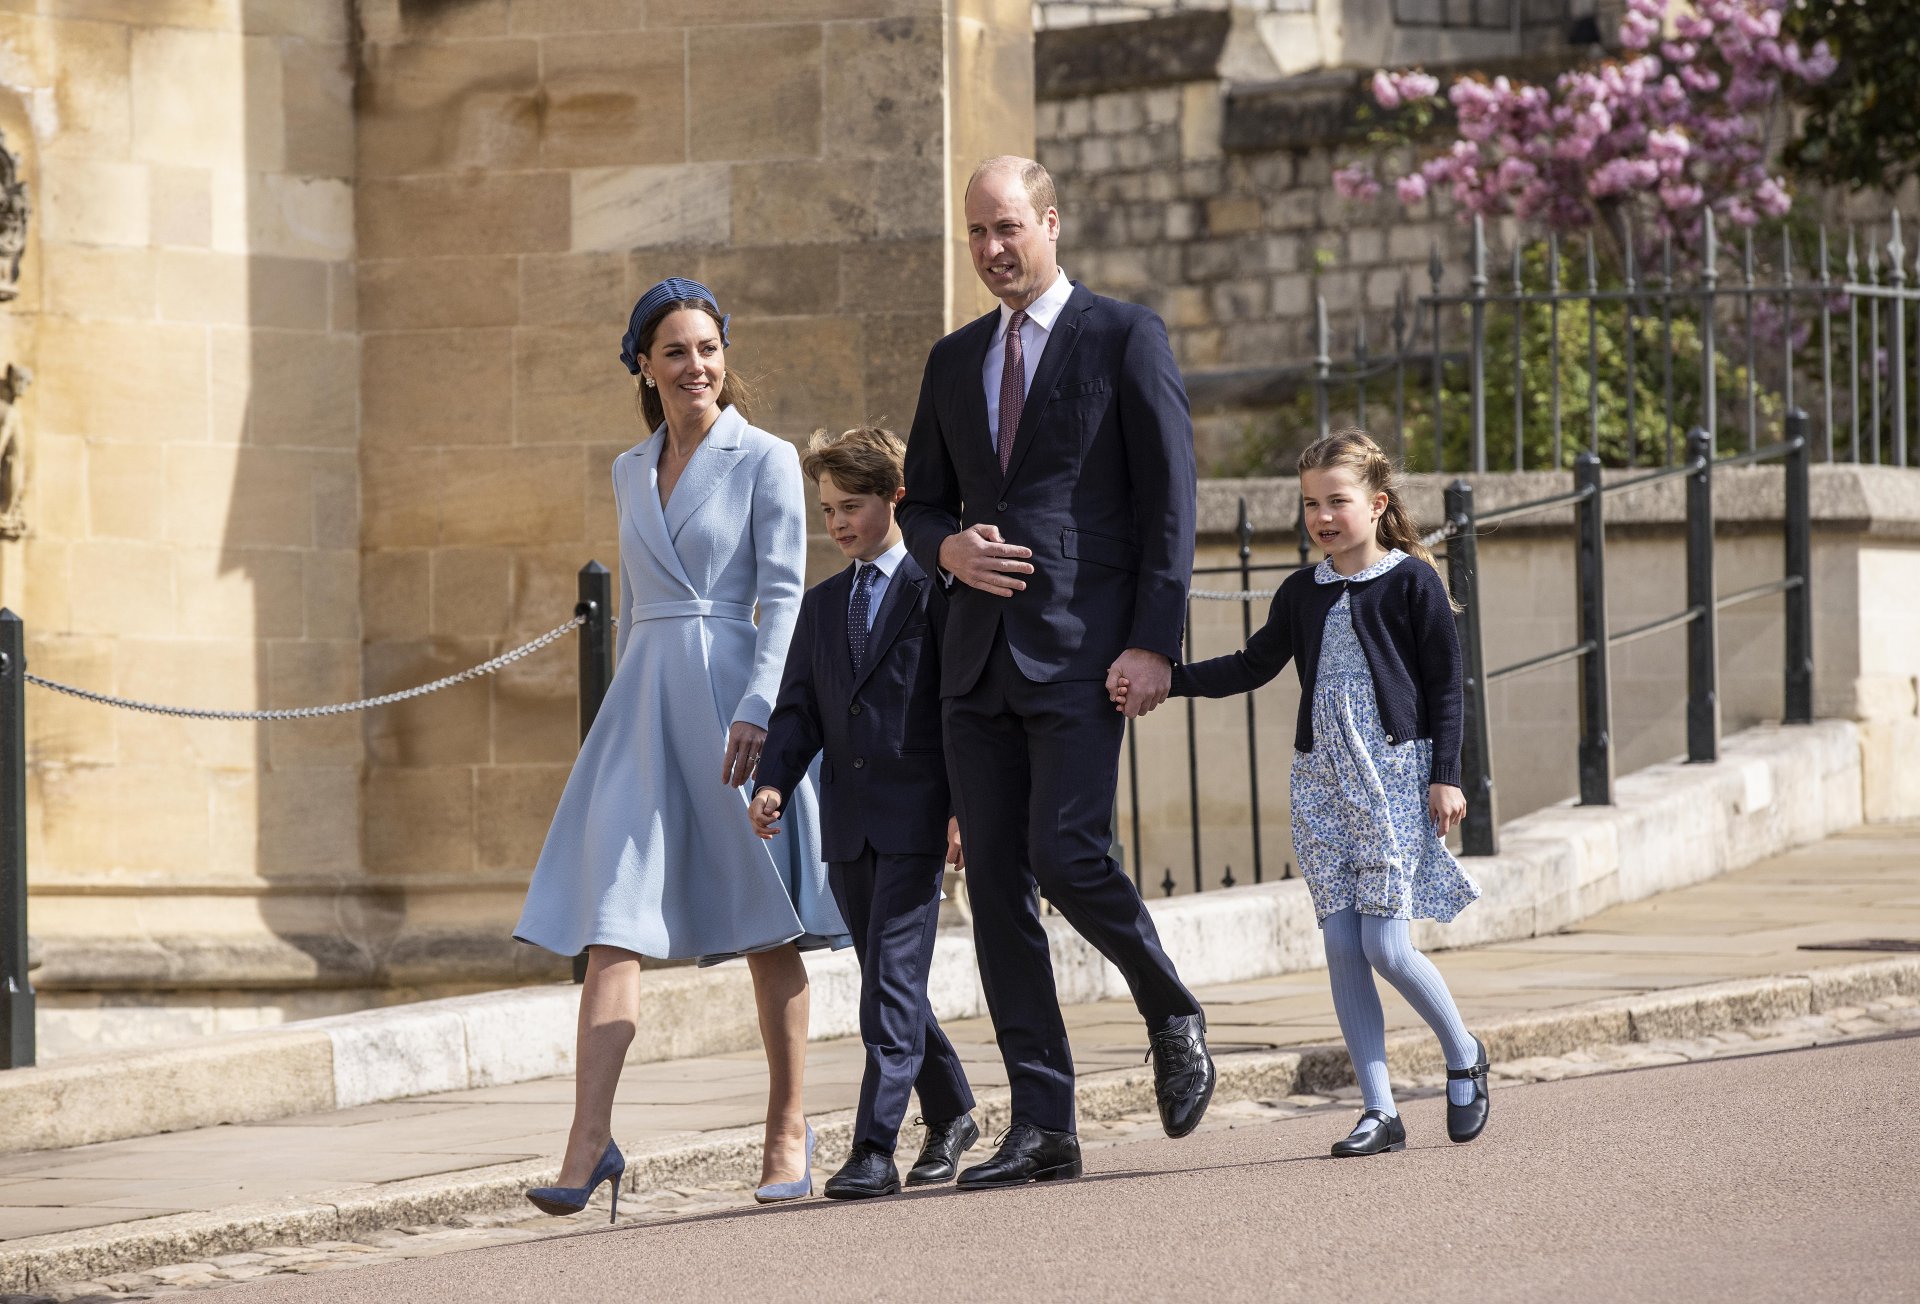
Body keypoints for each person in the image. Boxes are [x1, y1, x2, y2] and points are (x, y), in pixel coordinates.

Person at [897, 155, 1215, 1191]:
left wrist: (1152, 640)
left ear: (1049, 221)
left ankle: (1169, 1003)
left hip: (1085, 649)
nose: (993, 249)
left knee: (1068, 851)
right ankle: (1044, 1121)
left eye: (1008, 228)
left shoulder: (1126, 336)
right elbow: (918, 505)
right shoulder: (952, 362)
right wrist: (945, 549)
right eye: (977, 234)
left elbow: (1171, 498)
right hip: (972, 664)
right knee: (993, 890)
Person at [515, 278, 847, 1218]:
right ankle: (588, 1142)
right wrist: (621, 713)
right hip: (643, 705)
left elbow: (782, 594)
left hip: (737, 699)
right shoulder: (628, 468)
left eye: (708, 348)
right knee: (610, 918)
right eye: (676, 351)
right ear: (644, 366)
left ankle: (788, 1130)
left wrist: (761, 703)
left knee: (764, 920)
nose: (697, 365)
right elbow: (634, 601)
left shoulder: (768, 458)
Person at [1127, 428, 1491, 1156]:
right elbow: (1252, 665)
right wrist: (1169, 677)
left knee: (1386, 943)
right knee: (1341, 944)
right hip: (1320, 779)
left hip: (1392, 775)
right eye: (1310, 504)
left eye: (1337, 501)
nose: (1322, 517)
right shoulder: (1302, 592)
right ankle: (1380, 1110)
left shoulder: (1412, 581)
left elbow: (1448, 686)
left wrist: (1448, 775)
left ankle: (1465, 1054)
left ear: (1377, 503)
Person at [749, 426, 980, 1200]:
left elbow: (958, 710)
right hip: (846, 825)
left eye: (852, 506)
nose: (839, 523)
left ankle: (873, 1149)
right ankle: (951, 1113)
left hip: (918, 819)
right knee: (891, 979)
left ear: (895, 501)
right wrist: (774, 781)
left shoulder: (935, 589)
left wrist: (961, 811)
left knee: (886, 989)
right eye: (827, 511)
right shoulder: (820, 607)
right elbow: (799, 710)